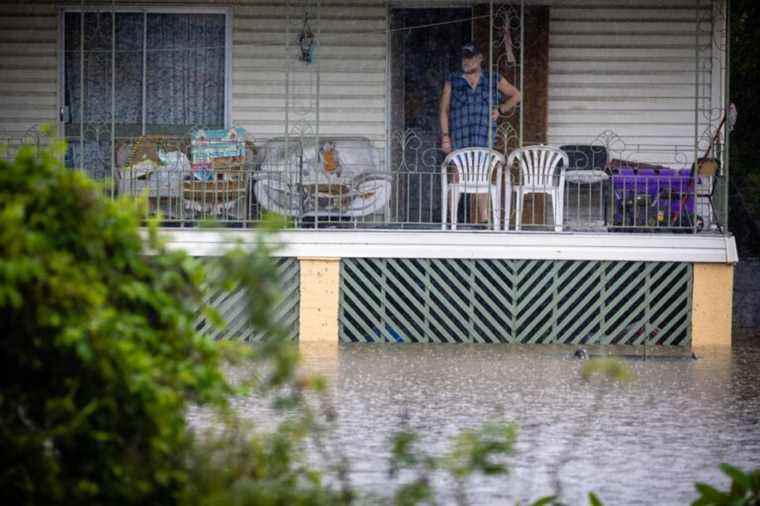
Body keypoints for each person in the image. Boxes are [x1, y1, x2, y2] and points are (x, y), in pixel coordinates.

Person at [439, 43, 521, 223]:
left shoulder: (493, 79)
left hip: (484, 134)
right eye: (464, 57)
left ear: (480, 58)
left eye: (470, 57)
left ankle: (484, 219)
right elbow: (444, 110)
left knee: (482, 175)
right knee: (457, 174)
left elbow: (516, 95)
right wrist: (445, 137)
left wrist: (500, 110)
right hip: (460, 136)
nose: (466, 61)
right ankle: (451, 219)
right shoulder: (453, 80)